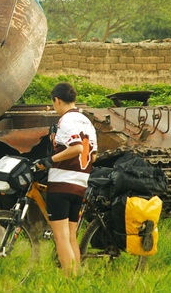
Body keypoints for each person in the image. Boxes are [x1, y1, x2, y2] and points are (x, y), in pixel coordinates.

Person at [35, 82, 97, 277]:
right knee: (71, 237)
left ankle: (69, 281)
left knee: (60, 238)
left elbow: (76, 147)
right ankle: (77, 278)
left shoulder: (66, 120)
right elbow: (92, 156)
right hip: (80, 184)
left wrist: (49, 160)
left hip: (62, 184)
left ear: (57, 100)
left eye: (53, 103)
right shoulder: (87, 122)